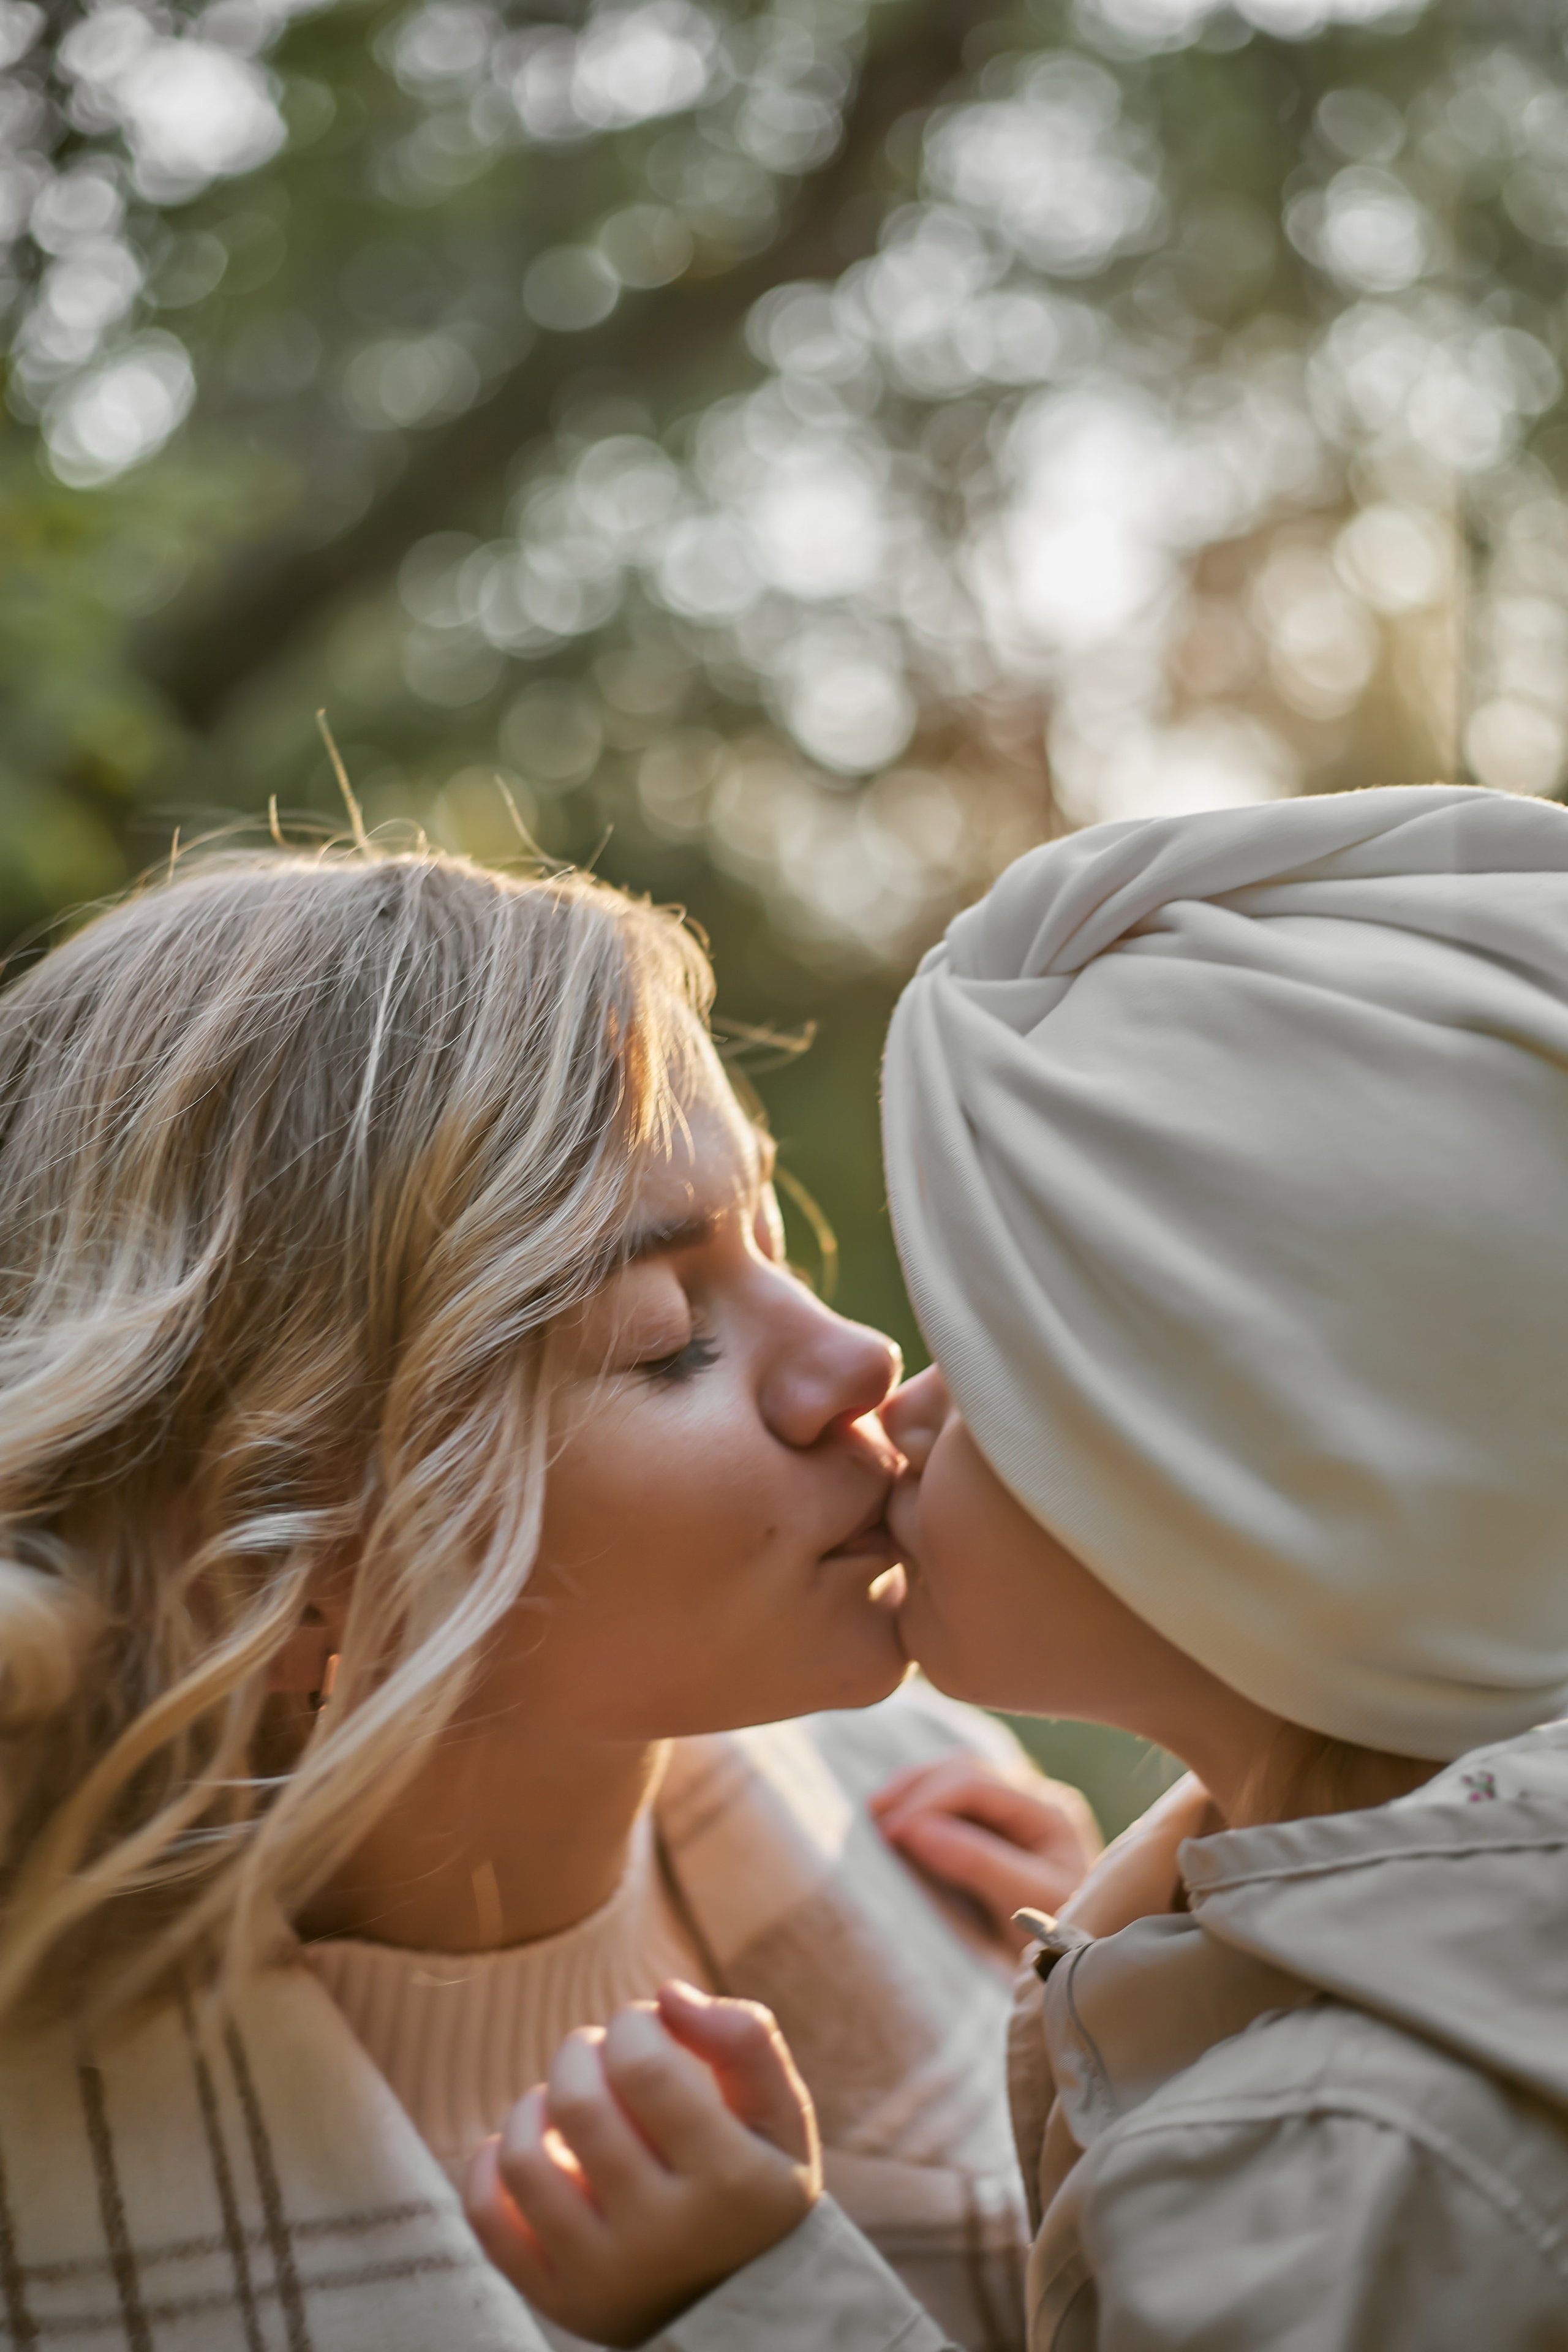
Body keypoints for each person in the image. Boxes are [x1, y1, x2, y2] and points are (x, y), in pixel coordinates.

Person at [468, 784, 1568, 2350]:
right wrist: (1161, 1964)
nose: (886, 1387)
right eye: (664, 1338)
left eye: (996, 1380)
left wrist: (752, 2304)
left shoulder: (1347, 2165)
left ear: (1237, 1491)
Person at [0, 843, 1099, 2351]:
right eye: (664, 1335)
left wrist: (1155, 2020)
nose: (853, 1358)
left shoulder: (964, 1849)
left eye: (769, 1242)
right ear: (279, 1571)